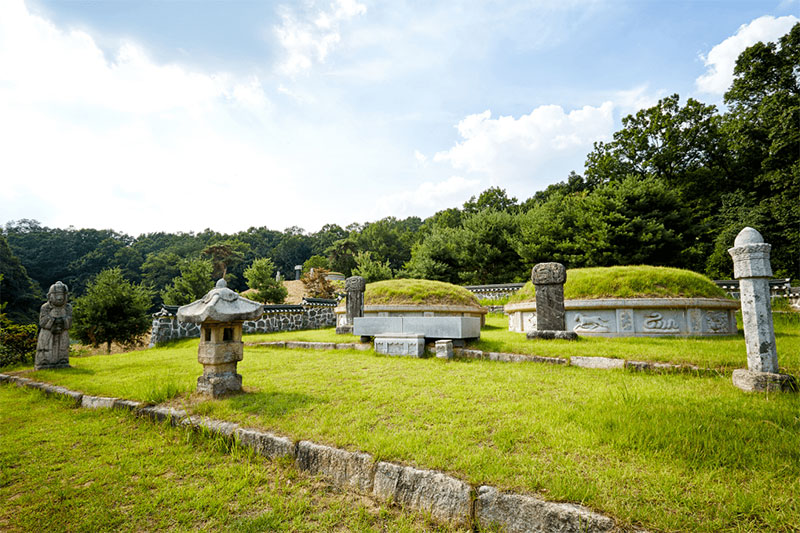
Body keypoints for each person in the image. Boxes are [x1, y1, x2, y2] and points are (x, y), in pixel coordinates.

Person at [34, 281, 72, 369]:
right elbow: (42, 321)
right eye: (57, 294)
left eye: (62, 294)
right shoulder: (45, 307)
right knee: (45, 347)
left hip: (62, 330)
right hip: (48, 331)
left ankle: (62, 361)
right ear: (50, 295)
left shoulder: (68, 307)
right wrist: (54, 321)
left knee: (63, 346)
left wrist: (62, 321)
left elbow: (69, 321)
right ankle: (44, 362)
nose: (60, 298)